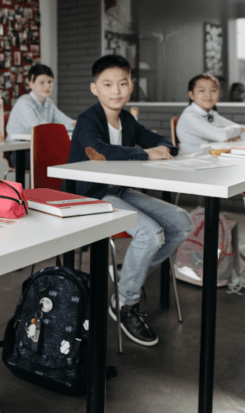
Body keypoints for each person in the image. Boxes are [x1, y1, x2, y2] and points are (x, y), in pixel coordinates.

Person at [67, 54, 191, 347]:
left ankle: (127, 276)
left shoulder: (127, 120)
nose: (116, 90)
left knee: (181, 222)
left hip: (117, 191)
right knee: (151, 233)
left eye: (122, 83)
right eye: (107, 84)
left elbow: (160, 139)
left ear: (131, 86)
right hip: (88, 195)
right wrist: (147, 153)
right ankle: (126, 303)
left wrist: (163, 146)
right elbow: (98, 151)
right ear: (94, 88)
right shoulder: (88, 120)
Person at [176, 73, 245, 272]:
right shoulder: (190, 116)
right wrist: (230, 134)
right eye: (202, 90)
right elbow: (221, 134)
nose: (208, 95)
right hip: (199, 171)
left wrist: (230, 135)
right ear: (191, 94)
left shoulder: (212, 115)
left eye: (213, 90)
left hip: (221, 165)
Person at [5, 63, 75, 169]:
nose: (47, 86)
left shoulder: (49, 103)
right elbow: (39, 128)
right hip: (20, 153)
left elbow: (66, 122)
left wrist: (82, 125)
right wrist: (59, 130)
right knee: (64, 160)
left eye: (50, 82)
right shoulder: (24, 102)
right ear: (31, 84)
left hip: (40, 149)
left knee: (73, 157)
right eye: (42, 82)